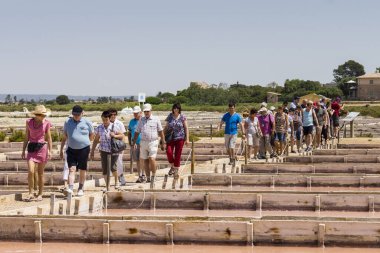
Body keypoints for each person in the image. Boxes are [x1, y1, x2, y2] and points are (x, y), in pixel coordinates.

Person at [60, 105, 94, 196]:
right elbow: (65, 135)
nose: (76, 116)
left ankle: (80, 188)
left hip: (84, 149)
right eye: (74, 114)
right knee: (72, 169)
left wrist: (84, 142)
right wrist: (62, 148)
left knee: (82, 169)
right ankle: (71, 188)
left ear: (82, 113)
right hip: (71, 149)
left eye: (78, 115)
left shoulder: (87, 122)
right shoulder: (67, 122)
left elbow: (91, 135)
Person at [21, 105, 52, 202]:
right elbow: (26, 136)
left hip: (42, 148)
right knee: (31, 171)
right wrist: (23, 150)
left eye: (44, 115)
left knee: (40, 173)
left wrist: (50, 151)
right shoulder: (28, 122)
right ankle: (31, 193)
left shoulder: (47, 123)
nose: (43, 116)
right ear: (36, 115)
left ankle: (40, 194)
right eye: (41, 115)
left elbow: (49, 138)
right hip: (31, 148)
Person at [91, 111, 124, 190]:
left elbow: (122, 135)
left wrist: (115, 135)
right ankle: (107, 185)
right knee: (105, 169)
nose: (105, 122)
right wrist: (92, 151)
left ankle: (116, 182)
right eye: (103, 120)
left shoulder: (114, 126)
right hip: (103, 150)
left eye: (106, 120)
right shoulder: (99, 128)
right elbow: (96, 140)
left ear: (109, 119)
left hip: (113, 150)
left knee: (113, 167)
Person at [132, 103, 165, 183]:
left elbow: (160, 131)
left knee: (152, 158)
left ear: (151, 111)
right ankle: (148, 178)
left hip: (153, 141)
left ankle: (154, 175)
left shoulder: (156, 119)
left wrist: (163, 142)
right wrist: (134, 142)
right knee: (145, 160)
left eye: (147, 111)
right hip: (143, 142)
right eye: (145, 111)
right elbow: (137, 131)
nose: (146, 113)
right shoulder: (141, 119)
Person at [164, 103, 189, 179]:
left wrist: (187, 139)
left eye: (177, 108)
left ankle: (176, 169)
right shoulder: (170, 116)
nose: (176, 110)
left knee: (178, 154)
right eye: (174, 108)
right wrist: (161, 136)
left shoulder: (182, 117)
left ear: (179, 109)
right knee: (169, 152)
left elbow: (186, 128)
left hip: (180, 138)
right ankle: (172, 166)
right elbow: (166, 126)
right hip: (170, 138)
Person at [108, 108, 127, 186]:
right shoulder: (106, 123)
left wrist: (122, 146)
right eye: (111, 114)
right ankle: (109, 180)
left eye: (114, 114)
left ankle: (121, 177)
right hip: (108, 146)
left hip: (117, 146)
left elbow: (123, 136)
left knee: (118, 162)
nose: (113, 116)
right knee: (108, 162)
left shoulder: (119, 123)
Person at [128, 106, 144, 183]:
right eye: (134, 113)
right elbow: (129, 132)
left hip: (144, 143)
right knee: (137, 160)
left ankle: (144, 175)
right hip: (135, 144)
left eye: (136, 113)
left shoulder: (144, 120)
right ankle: (140, 176)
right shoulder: (131, 122)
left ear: (140, 113)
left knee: (143, 159)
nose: (135, 114)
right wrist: (130, 142)